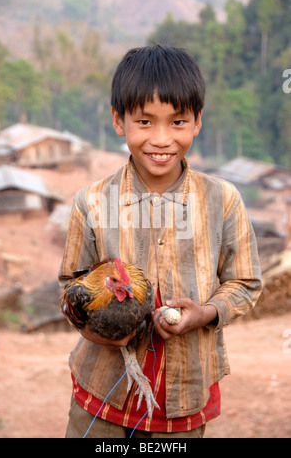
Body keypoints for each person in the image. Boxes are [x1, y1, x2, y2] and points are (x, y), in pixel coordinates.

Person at [59, 45, 262, 439]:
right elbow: (69, 287)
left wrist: (203, 314)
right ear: (119, 121)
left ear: (198, 121)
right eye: (146, 121)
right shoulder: (92, 202)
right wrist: (100, 330)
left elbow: (246, 283)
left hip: (183, 398)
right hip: (103, 397)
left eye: (178, 121)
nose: (162, 139)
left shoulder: (223, 200)